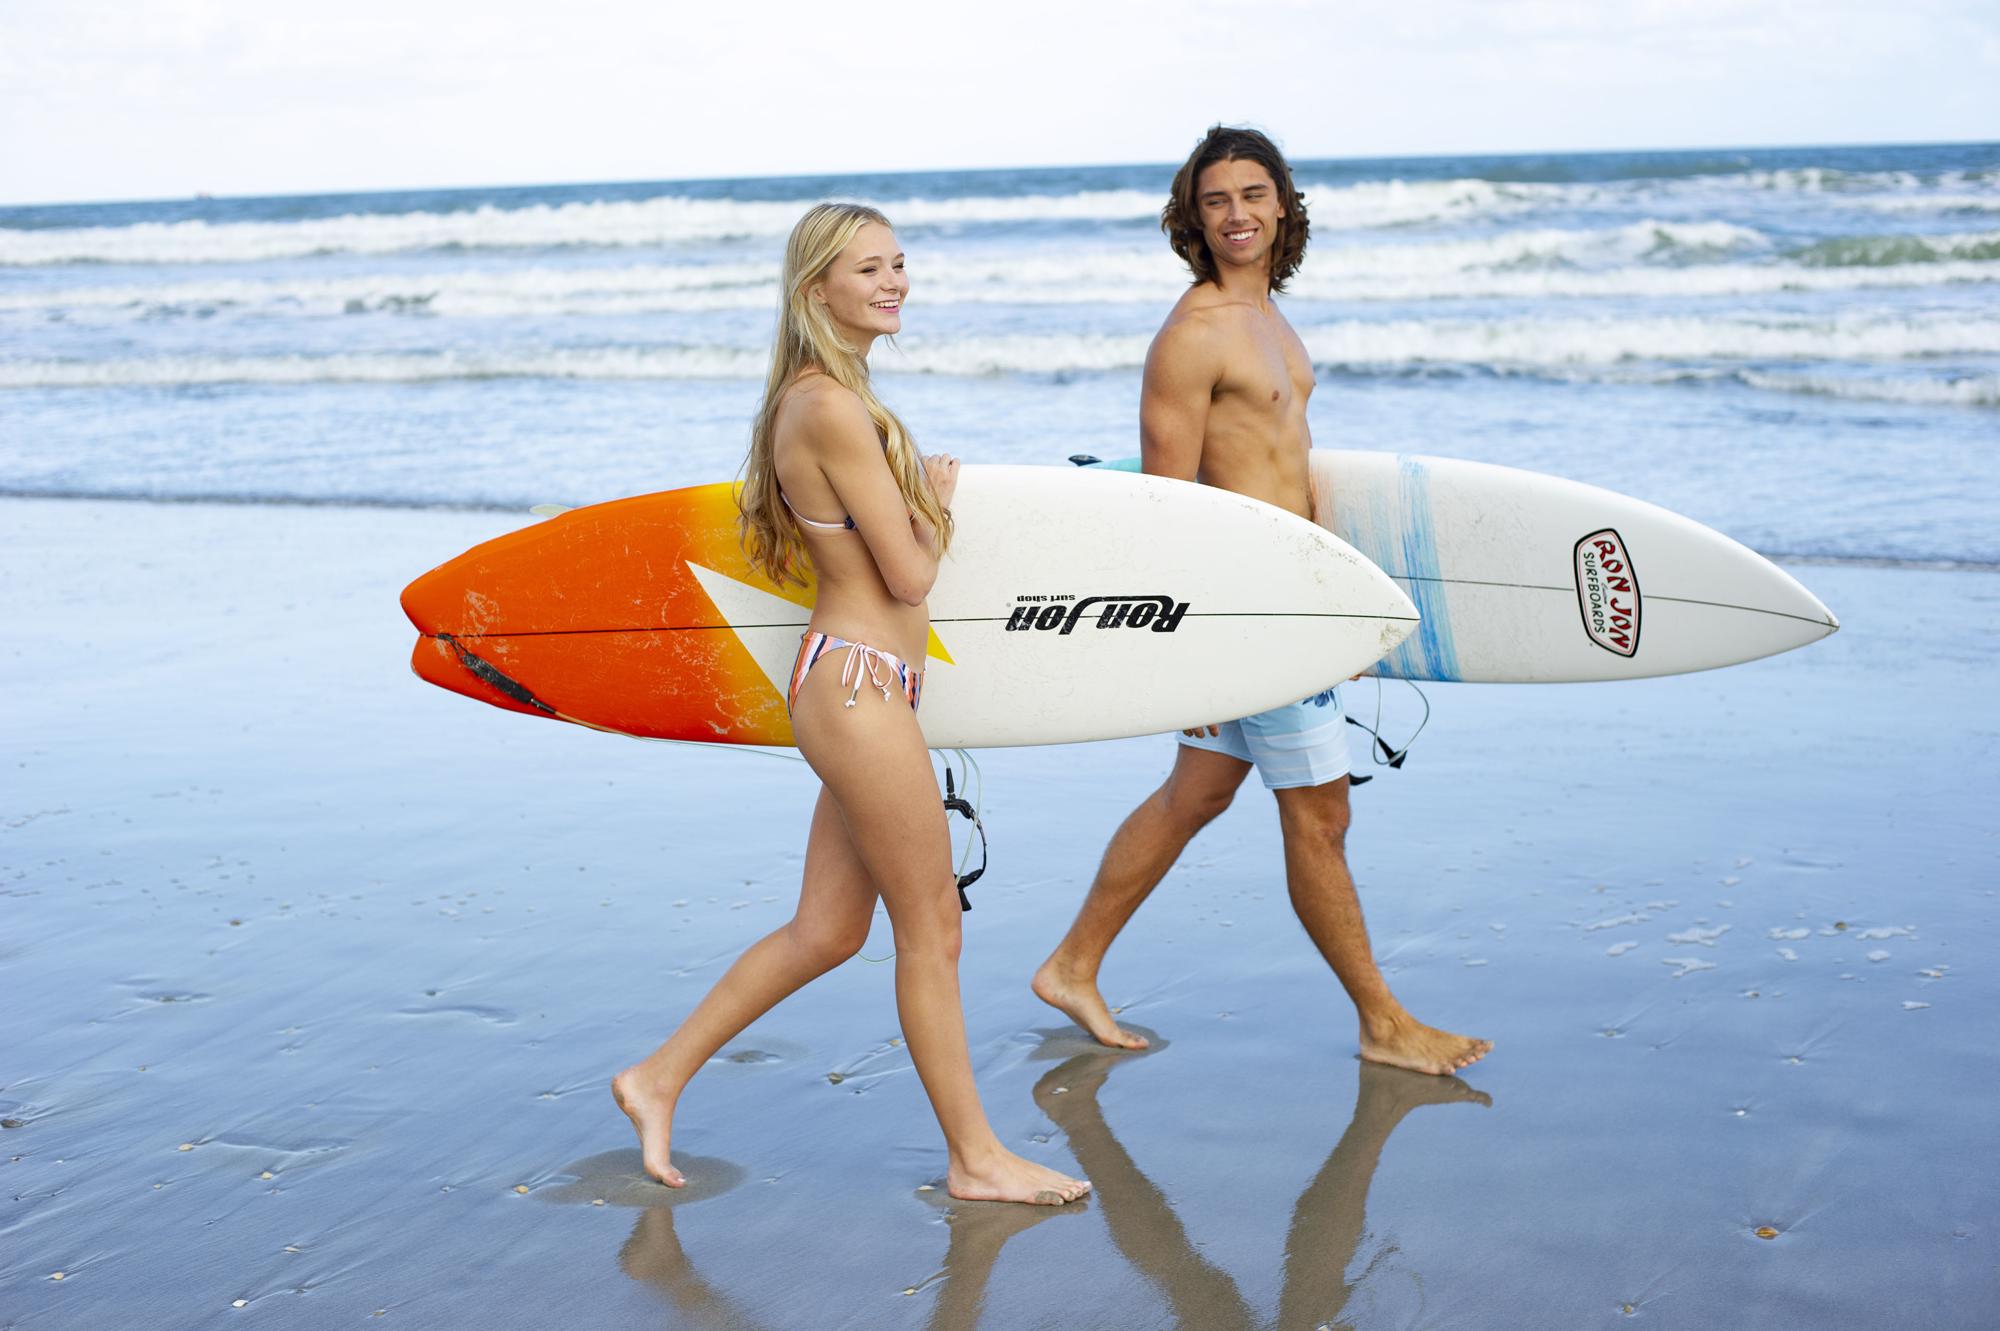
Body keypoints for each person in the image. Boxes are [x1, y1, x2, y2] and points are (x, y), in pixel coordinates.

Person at [614, 203, 1090, 1206]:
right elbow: (911, 574)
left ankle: (655, 1076)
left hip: (857, 685)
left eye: (899, 263)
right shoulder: (828, 404)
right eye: (868, 267)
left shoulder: (825, 395)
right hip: (861, 689)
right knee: (932, 933)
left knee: (828, 930)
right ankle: (974, 1157)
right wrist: (939, 504)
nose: (894, 281)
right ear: (814, 288)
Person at [1031, 128, 1490, 1076]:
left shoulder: (1272, 317)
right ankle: (1382, 1022)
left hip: (1290, 600)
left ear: (1283, 203)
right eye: (1216, 200)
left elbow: (1290, 468)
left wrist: (1341, 607)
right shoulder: (1193, 335)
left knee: (1195, 793)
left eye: (1252, 193)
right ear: (1191, 219)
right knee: (1320, 817)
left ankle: (1072, 965)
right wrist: (1189, 644)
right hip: (1245, 613)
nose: (1237, 214)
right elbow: (1165, 503)